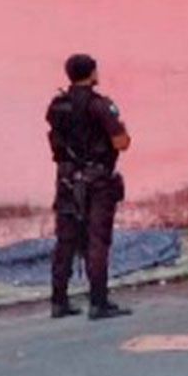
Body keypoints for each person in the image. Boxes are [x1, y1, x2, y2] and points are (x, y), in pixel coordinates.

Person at [46, 53, 132, 321]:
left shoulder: (57, 105)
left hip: (67, 178)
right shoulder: (100, 105)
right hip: (97, 180)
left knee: (66, 239)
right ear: (92, 73)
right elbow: (121, 142)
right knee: (97, 239)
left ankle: (59, 301)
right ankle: (98, 302)